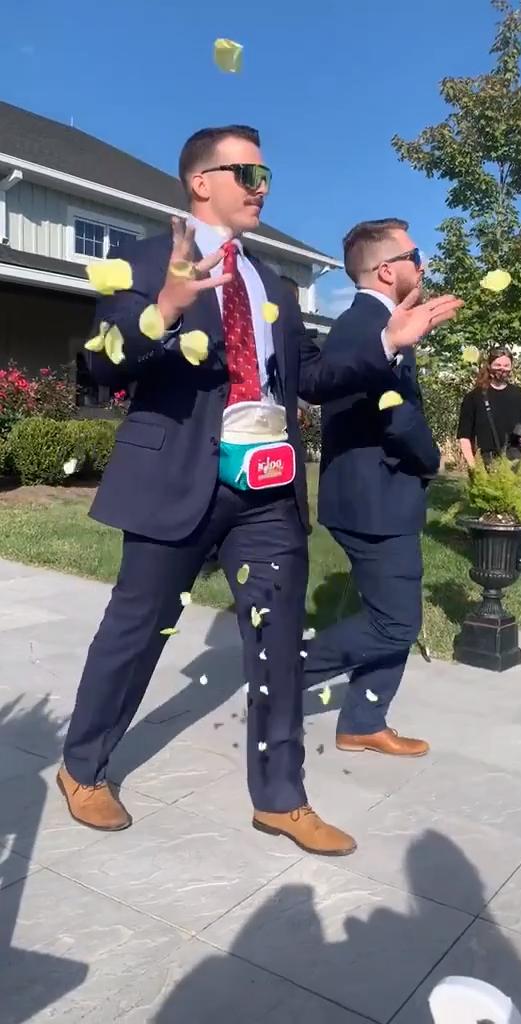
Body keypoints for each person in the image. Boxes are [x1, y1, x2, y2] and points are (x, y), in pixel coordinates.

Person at [57, 127, 440, 857]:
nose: (263, 186)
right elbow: (101, 365)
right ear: (201, 181)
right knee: (135, 630)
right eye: (248, 172)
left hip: (265, 490)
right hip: (177, 477)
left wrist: (386, 343)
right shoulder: (145, 256)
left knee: (277, 639)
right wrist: (163, 310)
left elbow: (316, 379)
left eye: (267, 173)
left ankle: (282, 797)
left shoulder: (276, 284)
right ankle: (84, 768)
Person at [303, 219, 463, 757]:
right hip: (374, 501)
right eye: (415, 253)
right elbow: (396, 418)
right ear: (386, 268)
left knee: (394, 616)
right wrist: (432, 458)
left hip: (379, 496)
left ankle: (364, 720)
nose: (425, 261)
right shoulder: (363, 327)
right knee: (396, 623)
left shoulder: (380, 322)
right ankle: (282, 673)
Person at [457, 346, 521, 573]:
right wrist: (473, 467)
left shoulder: (519, 396)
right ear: (489, 365)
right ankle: (489, 561)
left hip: (514, 457)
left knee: (519, 510)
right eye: (498, 364)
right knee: (489, 512)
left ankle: (519, 560)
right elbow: (464, 436)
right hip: (488, 459)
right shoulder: (473, 398)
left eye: (506, 365)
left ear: (511, 367)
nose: (502, 369)